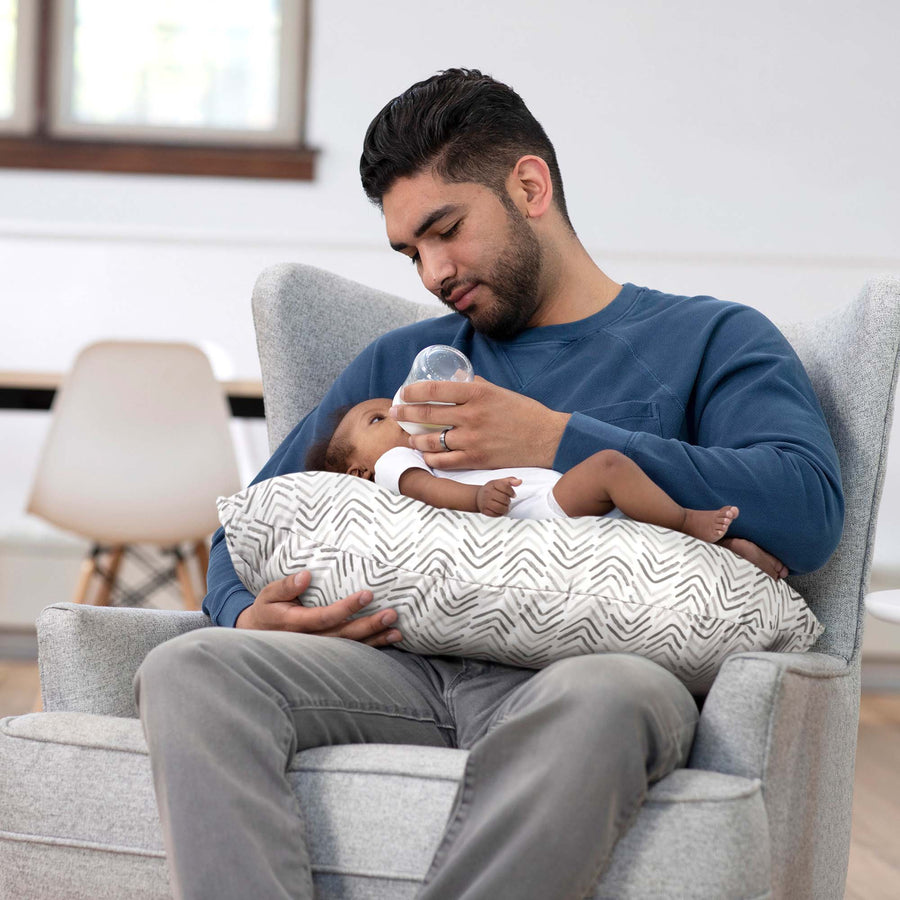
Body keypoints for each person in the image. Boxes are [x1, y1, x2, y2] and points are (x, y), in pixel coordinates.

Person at [135, 69, 843, 900]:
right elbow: (248, 524)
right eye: (411, 252)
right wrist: (244, 611)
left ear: (530, 186)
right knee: (193, 668)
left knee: (608, 696)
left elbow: (806, 506)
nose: (433, 272)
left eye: (446, 230)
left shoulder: (709, 337)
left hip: (590, 670)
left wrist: (556, 436)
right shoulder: (397, 368)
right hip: (398, 660)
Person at [309, 395, 743, 545]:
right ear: (357, 472)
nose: (397, 413)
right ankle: (689, 522)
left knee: (636, 515)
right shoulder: (390, 466)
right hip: (539, 509)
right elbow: (427, 491)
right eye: (377, 419)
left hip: (543, 499)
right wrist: (475, 499)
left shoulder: (430, 449)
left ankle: (727, 550)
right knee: (610, 466)